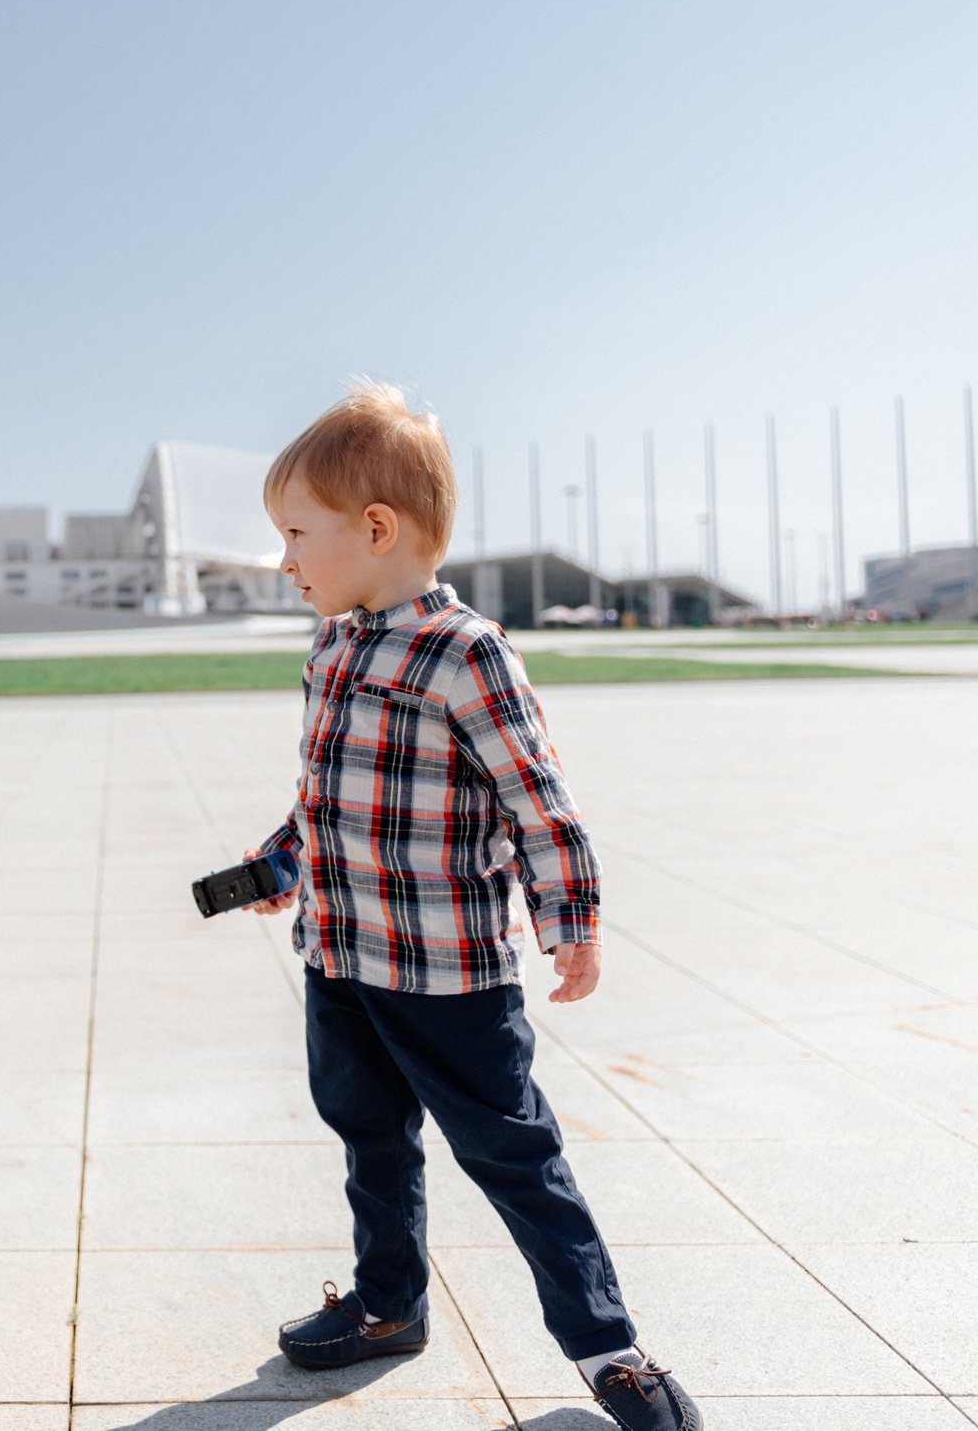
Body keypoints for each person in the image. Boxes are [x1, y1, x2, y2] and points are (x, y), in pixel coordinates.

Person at [236, 384, 701, 1430]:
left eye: (295, 533)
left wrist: (568, 917)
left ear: (376, 529)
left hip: (446, 973)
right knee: (369, 1137)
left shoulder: (464, 652)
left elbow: (536, 797)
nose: (284, 560)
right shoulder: (332, 645)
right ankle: (388, 1304)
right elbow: (324, 799)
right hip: (342, 957)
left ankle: (607, 1346)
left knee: (513, 1153)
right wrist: (276, 866)